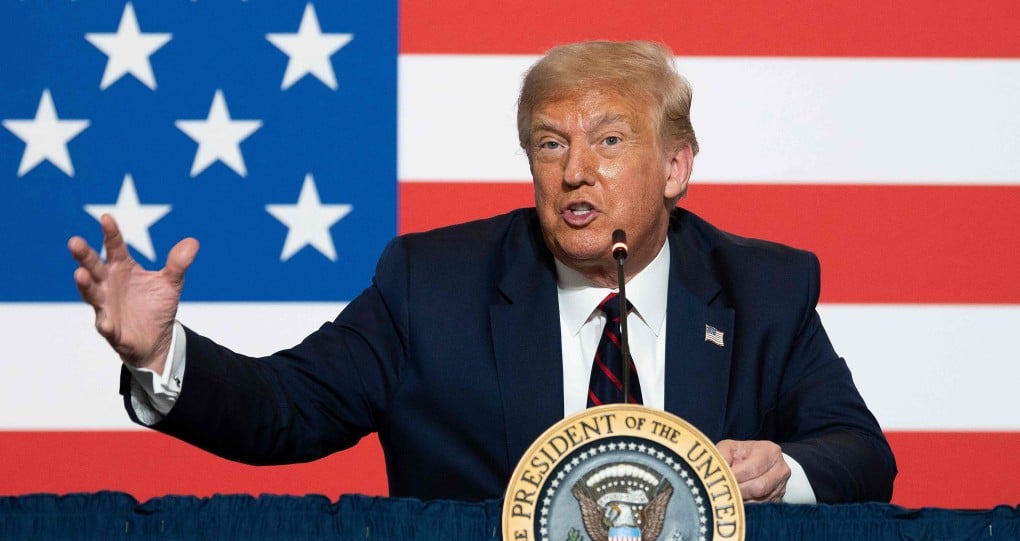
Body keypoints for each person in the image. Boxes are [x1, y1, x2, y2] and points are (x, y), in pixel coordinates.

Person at [68, 40, 896, 504]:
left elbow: (860, 454)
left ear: (677, 167)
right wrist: (158, 357)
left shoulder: (763, 291)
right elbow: (286, 412)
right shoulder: (432, 284)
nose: (575, 171)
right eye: (550, 142)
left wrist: (783, 471)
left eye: (609, 141)